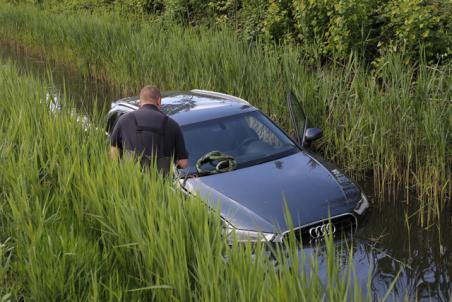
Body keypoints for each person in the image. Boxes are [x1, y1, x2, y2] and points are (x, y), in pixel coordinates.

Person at [110, 85, 188, 171]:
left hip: (130, 181)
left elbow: (114, 155)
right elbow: (183, 163)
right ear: (158, 101)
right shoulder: (173, 125)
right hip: (160, 183)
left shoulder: (124, 120)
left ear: (140, 101)